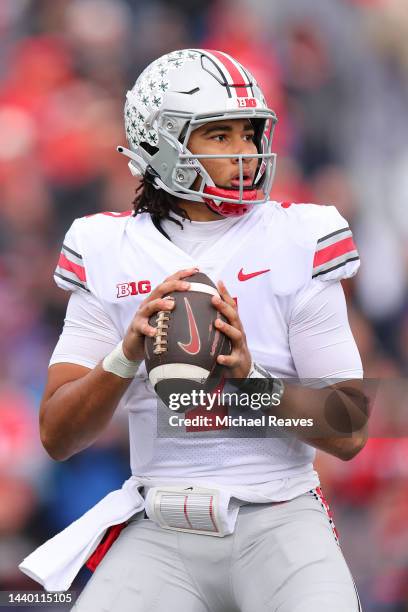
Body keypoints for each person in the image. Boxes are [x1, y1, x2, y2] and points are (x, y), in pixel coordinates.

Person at [20, 49, 368, 611]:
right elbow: (58, 436)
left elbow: (349, 429)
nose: (246, 153)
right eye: (220, 136)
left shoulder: (299, 237)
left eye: (250, 134)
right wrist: (124, 355)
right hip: (160, 525)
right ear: (160, 142)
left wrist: (252, 380)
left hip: (279, 518)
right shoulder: (107, 247)